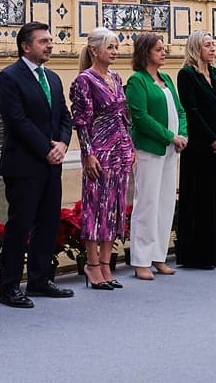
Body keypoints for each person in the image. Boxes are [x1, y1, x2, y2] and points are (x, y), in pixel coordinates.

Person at [0, 22, 74, 308]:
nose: (50, 45)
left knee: (48, 223)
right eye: (43, 41)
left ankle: (40, 279)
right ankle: (10, 286)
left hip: (52, 163)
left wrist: (63, 144)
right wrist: (46, 149)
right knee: (20, 225)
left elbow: (64, 116)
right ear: (26, 47)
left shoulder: (52, 77)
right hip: (24, 164)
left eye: (51, 40)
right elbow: (17, 121)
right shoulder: (9, 77)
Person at [70, 28, 135, 289]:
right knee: (96, 208)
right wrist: (87, 154)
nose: (115, 52)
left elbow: (123, 116)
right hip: (99, 150)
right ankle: (92, 264)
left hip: (119, 148)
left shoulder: (116, 77)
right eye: (110, 47)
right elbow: (81, 122)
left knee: (115, 208)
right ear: (95, 50)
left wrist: (129, 147)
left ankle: (107, 264)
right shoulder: (84, 81)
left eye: (116, 47)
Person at [125, 33, 188, 280]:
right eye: (158, 49)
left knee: (165, 203)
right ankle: (141, 260)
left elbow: (181, 111)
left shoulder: (166, 79)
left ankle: (159, 256)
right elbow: (140, 118)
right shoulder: (136, 81)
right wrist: (169, 136)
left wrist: (182, 134)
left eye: (164, 48)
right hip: (150, 149)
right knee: (147, 203)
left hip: (172, 151)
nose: (164, 52)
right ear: (145, 53)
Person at [174, 30, 216, 269]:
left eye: (213, 44)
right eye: (207, 45)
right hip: (199, 147)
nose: (212, 49)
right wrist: (211, 139)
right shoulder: (187, 74)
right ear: (196, 48)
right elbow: (192, 111)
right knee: (200, 198)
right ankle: (198, 254)